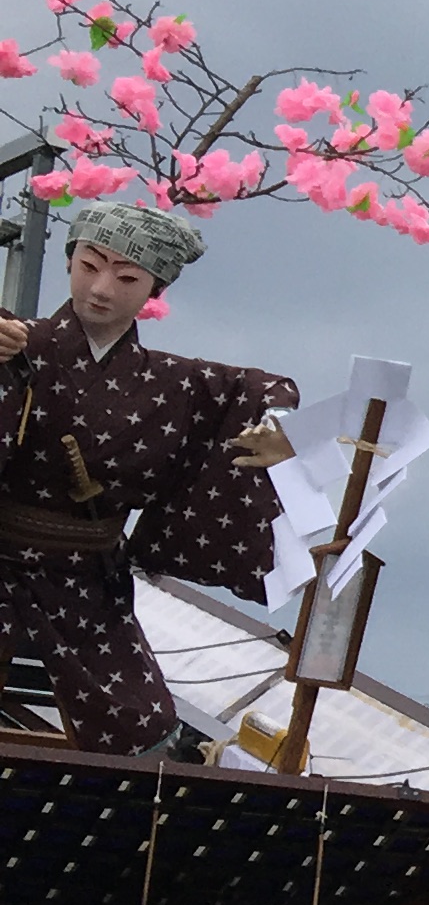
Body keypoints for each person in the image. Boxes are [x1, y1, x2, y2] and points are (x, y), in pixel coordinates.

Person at [0, 203, 299, 754]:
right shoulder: (17, 343)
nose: (102, 287)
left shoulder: (176, 382)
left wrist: (276, 428)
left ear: (154, 289)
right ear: (70, 260)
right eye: (89, 265)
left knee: (145, 732)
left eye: (127, 277)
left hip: (86, 577)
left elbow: (262, 390)